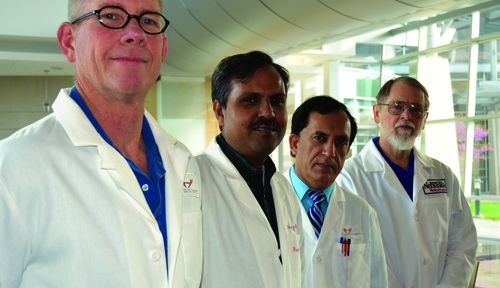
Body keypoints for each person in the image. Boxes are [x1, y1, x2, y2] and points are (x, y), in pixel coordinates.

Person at [0, 0, 202, 287]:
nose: (135, 33)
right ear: (69, 42)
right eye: (110, 15)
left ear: (163, 49)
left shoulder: (182, 162)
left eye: (148, 21)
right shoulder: (11, 168)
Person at [337, 76, 478, 287]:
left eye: (416, 109)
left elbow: (462, 244)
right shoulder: (348, 178)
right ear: (377, 113)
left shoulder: (443, 175)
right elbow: (353, 255)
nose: (406, 115)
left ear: (424, 119)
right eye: (397, 107)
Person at [195, 50, 304, 288]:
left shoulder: (282, 189)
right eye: (250, 100)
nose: (268, 113)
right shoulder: (190, 182)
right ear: (220, 112)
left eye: (277, 101)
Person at [285, 95, 388, 287]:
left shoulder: (362, 213)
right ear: (294, 144)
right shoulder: (265, 205)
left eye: (340, 142)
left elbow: (377, 281)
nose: (330, 152)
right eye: (319, 138)